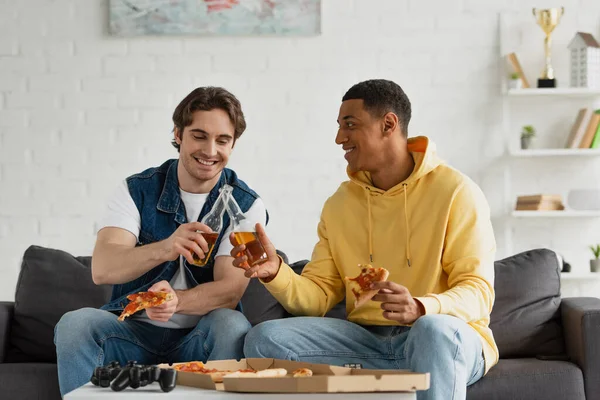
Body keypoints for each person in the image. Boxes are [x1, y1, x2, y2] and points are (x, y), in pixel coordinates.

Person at [232, 79, 498, 400]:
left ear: (388, 124)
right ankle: (405, 372)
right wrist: (276, 272)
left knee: (433, 331)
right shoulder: (339, 204)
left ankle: (422, 363)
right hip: (367, 341)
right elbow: (317, 298)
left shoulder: (456, 192)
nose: (339, 138)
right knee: (264, 338)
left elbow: (478, 291)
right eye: (339, 126)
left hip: (443, 338)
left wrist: (421, 306)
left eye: (350, 125)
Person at [54, 87, 268, 395]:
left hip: (199, 335)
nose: (210, 150)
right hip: (131, 332)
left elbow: (229, 292)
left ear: (233, 145)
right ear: (178, 135)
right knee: (76, 324)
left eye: (222, 140)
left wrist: (174, 301)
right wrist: (165, 247)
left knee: (231, 324)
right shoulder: (136, 190)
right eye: (199, 135)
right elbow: (103, 269)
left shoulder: (246, 205)